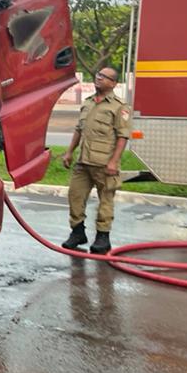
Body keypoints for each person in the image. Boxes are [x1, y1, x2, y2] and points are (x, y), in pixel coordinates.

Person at [61, 67, 131, 254]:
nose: (98, 78)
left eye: (103, 77)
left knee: (105, 201)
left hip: (104, 163)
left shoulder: (119, 107)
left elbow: (123, 136)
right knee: (75, 197)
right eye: (98, 75)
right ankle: (77, 232)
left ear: (113, 83)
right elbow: (79, 129)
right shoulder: (88, 103)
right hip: (83, 162)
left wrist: (114, 162)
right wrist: (69, 152)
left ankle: (102, 238)